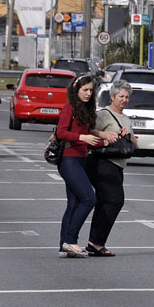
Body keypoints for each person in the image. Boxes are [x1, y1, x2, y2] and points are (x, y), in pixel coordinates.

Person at [54, 75, 114, 257]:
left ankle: (63, 246)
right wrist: (82, 137)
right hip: (68, 159)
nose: (88, 93)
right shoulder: (69, 107)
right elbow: (61, 132)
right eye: (84, 90)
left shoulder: (87, 109)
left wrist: (107, 141)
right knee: (89, 199)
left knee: (73, 204)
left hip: (80, 158)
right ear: (76, 90)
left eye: (90, 90)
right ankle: (71, 240)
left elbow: (88, 138)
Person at [84, 80, 135, 256]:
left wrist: (128, 137)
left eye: (127, 97)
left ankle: (95, 243)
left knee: (105, 202)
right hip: (102, 162)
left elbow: (134, 142)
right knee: (115, 200)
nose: (124, 100)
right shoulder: (104, 114)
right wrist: (105, 135)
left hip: (118, 165)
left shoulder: (126, 119)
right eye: (121, 96)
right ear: (112, 97)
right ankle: (96, 242)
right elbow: (88, 131)